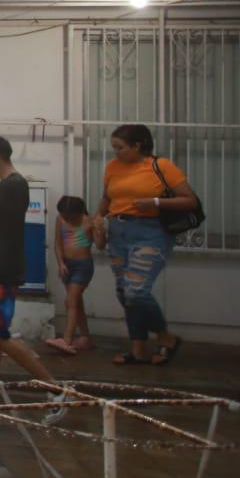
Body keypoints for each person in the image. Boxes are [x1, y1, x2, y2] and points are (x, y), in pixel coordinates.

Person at [0, 136, 66, 419]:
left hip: (3, 269)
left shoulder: (11, 185)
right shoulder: (13, 186)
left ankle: (55, 388)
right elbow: (4, 232)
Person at [95, 124, 196, 366]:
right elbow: (107, 197)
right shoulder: (112, 167)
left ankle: (165, 337)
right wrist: (97, 218)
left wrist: (155, 202)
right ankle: (138, 349)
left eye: (120, 147)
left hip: (150, 232)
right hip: (118, 232)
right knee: (124, 292)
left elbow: (189, 200)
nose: (116, 152)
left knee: (136, 291)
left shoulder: (161, 166)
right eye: (114, 148)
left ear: (137, 145)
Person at [47, 196, 96, 356]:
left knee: (70, 301)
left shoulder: (88, 222)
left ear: (80, 213)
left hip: (83, 265)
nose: (67, 219)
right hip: (67, 265)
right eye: (64, 216)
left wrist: (100, 231)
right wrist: (60, 263)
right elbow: (58, 243)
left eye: (70, 217)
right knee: (76, 302)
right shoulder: (60, 220)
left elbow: (101, 245)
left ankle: (66, 340)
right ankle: (85, 337)